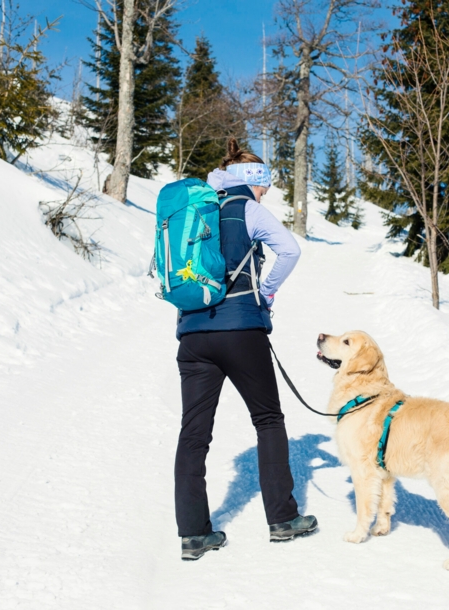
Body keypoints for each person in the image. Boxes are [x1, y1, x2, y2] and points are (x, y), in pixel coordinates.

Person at [175, 138, 318, 561]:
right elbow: (289, 250)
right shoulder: (248, 209)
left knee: (194, 433)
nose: (266, 194)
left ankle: (193, 533)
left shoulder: (193, 209)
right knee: (268, 419)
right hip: (241, 329)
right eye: (265, 186)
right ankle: (282, 519)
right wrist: (266, 294)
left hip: (192, 333)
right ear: (252, 182)